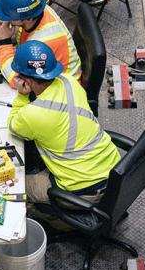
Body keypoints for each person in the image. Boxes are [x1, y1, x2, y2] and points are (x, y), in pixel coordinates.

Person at [7, 39, 120, 195]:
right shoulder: (69, 81)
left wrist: (21, 95)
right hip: (114, 169)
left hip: (83, 188)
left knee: (17, 188)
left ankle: (51, 216)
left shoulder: (32, 115)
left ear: (25, 80)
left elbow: (13, 127)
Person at [0, 0, 81, 88]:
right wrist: (7, 26)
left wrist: (4, 42)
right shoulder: (38, 9)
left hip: (61, 91)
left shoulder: (40, 45)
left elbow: (17, 81)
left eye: (10, 16)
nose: (6, 19)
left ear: (27, 19)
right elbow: (24, 31)